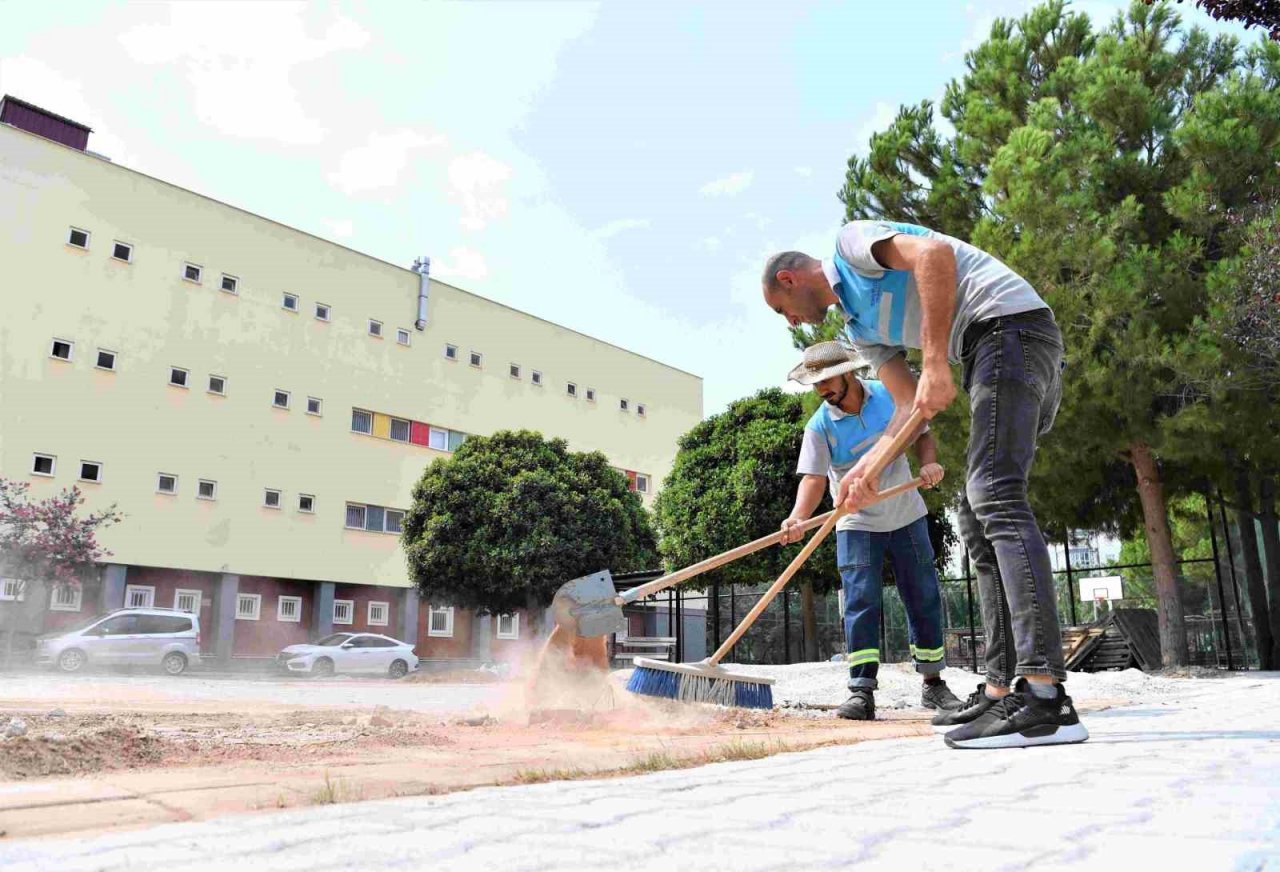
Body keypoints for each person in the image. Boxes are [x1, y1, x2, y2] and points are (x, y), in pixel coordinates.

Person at [762, 220, 1088, 749]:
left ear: (789, 278)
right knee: (976, 519)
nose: (791, 320)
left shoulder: (849, 247)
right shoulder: (861, 332)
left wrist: (936, 361)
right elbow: (909, 407)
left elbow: (935, 254)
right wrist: (868, 471)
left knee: (994, 494)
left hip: (1011, 328)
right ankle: (1003, 686)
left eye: (782, 309)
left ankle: (1046, 697)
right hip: (987, 344)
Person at [780, 341, 962, 721]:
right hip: (856, 522)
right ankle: (861, 691)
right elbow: (813, 479)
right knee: (861, 603)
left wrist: (929, 465)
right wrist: (798, 517)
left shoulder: (889, 395)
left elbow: (922, 434)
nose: (821, 390)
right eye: (815, 384)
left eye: (826, 380)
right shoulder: (819, 426)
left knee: (923, 596)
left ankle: (933, 684)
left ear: (848, 373)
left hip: (906, 515)